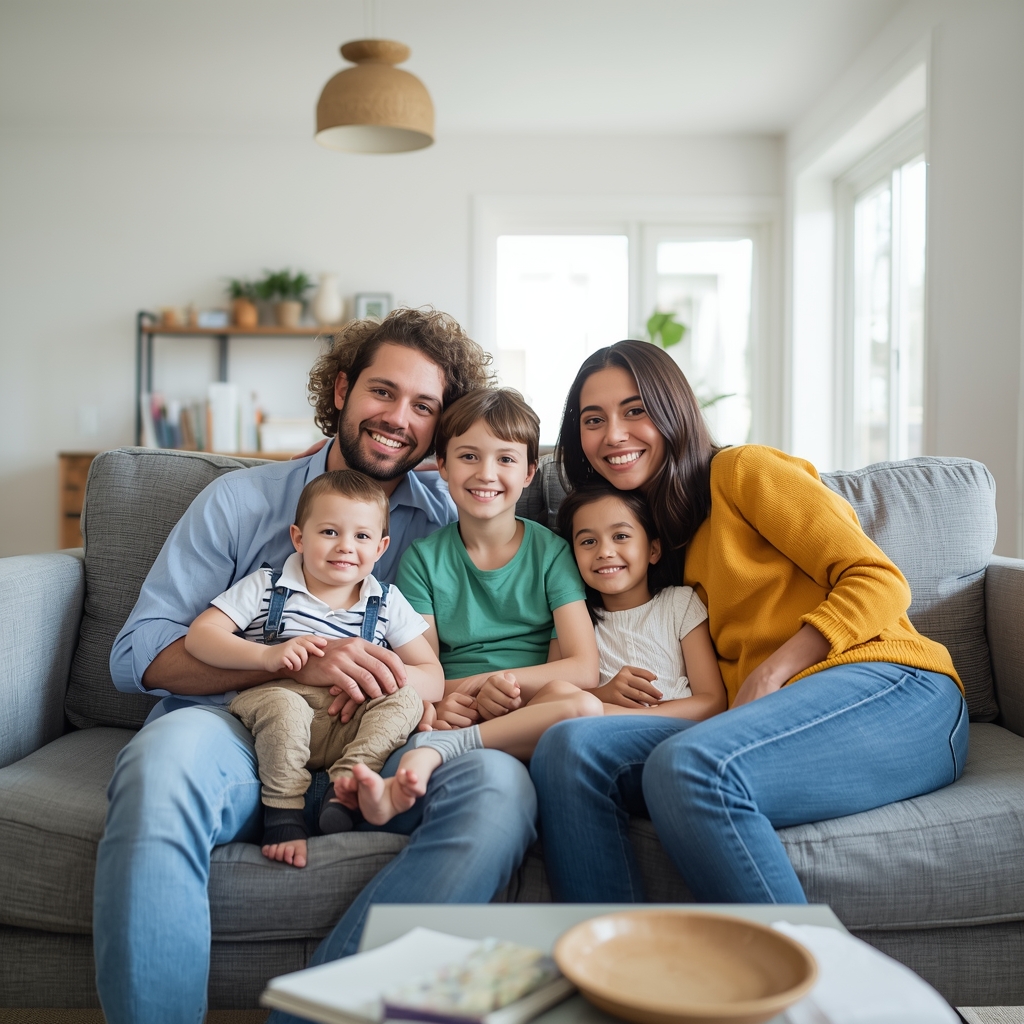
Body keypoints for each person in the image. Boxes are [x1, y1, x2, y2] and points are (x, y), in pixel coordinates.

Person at [95, 309, 538, 1024]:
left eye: (423, 406)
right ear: (341, 391)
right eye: (382, 392)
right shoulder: (240, 502)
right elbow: (136, 653)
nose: (398, 418)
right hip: (233, 733)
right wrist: (285, 670)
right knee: (158, 770)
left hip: (378, 749)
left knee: (500, 790)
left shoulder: (449, 522)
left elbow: (444, 666)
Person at [531, 339, 969, 906]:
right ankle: (614, 969)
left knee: (690, 767)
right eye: (594, 420)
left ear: (675, 411)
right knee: (569, 747)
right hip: (751, 722)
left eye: (635, 410)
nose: (614, 434)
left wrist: (774, 672)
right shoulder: (654, 543)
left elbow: (879, 579)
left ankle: (804, 993)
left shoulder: (742, 471)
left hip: (893, 689)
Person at [346, 479, 726, 826]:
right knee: (572, 702)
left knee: (577, 706)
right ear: (573, 553)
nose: (605, 552)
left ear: (654, 548)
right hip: (587, 744)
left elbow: (712, 702)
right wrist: (599, 698)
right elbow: (559, 696)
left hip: (668, 740)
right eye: (588, 541)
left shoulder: (679, 604)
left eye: (622, 536)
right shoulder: (578, 621)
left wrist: (614, 710)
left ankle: (446, 747)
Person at [185, 470, 444, 868]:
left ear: (381, 547)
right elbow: (200, 636)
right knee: (284, 707)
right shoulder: (267, 586)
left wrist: (377, 682)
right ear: (299, 538)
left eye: (361, 536)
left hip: (349, 718)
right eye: (329, 532)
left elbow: (434, 677)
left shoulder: (387, 601)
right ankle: (284, 814)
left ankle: (346, 786)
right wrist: (267, 658)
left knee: (407, 700)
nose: (345, 547)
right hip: (277, 701)